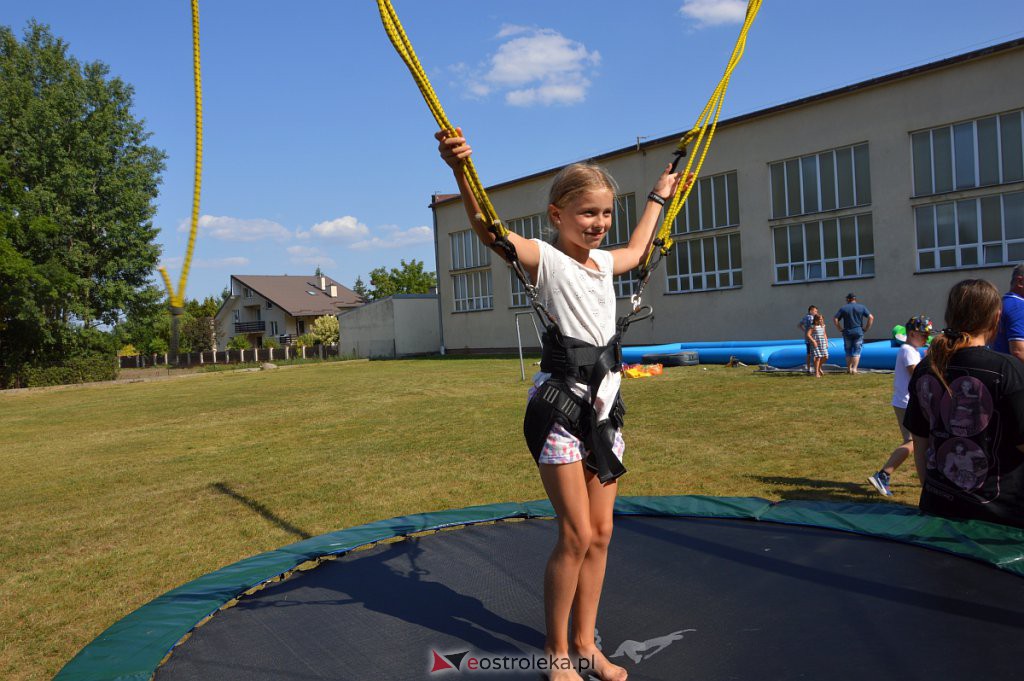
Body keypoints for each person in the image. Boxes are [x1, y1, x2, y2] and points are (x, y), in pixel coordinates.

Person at [436, 127, 686, 681]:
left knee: (601, 534)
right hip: (558, 409)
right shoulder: (545, 260)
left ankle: (586, 645)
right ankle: (556, 654)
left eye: (604, 214)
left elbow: (640, 245)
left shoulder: (604, 265)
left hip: (603, 411)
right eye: (586, 213)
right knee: (574, 533)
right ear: (556, 215)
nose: (597, 224)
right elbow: (489, 231)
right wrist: (460, 171)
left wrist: (660, 195)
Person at [904, 279, 1024, 530]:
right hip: (998, 517)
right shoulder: (1006, 369)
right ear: (996, 318)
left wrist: (933, 498)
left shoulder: (927, 366)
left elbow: (920, 442)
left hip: (938, 506)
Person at [867, 315, 932, 496]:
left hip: (904, 401)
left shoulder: (909, 349)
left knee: (919, 442)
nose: (927, 339)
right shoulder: (908, 351)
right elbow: (918, 375)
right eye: (924, 335)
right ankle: (883, 474)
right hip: (906, 403)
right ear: (912, 333)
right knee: (912, 442)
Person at [833, 293, 874, 374]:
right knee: (857, 350)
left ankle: (848, 369)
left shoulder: (843, 308)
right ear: (855, 299)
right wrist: (866, 328)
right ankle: (854, 369)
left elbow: (835, 319)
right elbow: (871, 317)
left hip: (847, 332)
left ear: (848, 299)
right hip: (858, 331)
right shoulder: (861, 307)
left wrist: (840, 329)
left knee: (848, 350)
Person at [992, 263, 1024, 362]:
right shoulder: (1018, 306)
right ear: (1020, 281)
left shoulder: (1002, 303)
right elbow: (1019, 351)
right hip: (1014, 373)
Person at [805, 312, 828, 377]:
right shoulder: (813, 326)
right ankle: (817, 372)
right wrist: (813, 341)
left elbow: (824, 334)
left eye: (822, 319)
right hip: (816, 343)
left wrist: (826, 342)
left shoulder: (823, 326)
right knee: (818, 357)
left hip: (822, 343)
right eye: (819, 319)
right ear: (816, 320)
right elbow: (808, 334)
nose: (821, 320)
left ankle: (818, 367)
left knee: (826, 357)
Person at [798, 305, 819, 374]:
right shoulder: (811, 318)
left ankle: (809, 368)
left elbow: (799, 325)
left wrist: (805, 331)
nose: (816, 312)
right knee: (814, 354)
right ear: (811, 311)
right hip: (812, 338)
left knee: (809, 354)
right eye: (815, 311)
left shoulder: (805, 317)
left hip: (807, 338)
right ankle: (814, 368)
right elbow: (814, 326)